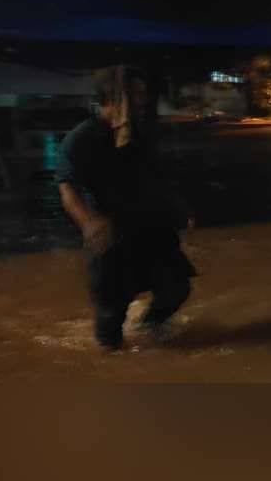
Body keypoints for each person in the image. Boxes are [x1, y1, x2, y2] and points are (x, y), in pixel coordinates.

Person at [56, 65, 196, 351]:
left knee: (176, 288)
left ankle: (149, 330)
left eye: (144, 94)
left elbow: (156, 178)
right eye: (136, 94)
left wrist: (179, 209)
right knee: (111, 321)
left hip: (150, 230)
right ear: (113, 97)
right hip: (112, 239)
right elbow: (67, 188)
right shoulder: (82, 138)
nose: (143, 101)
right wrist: (89, 223)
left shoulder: (139, 134)